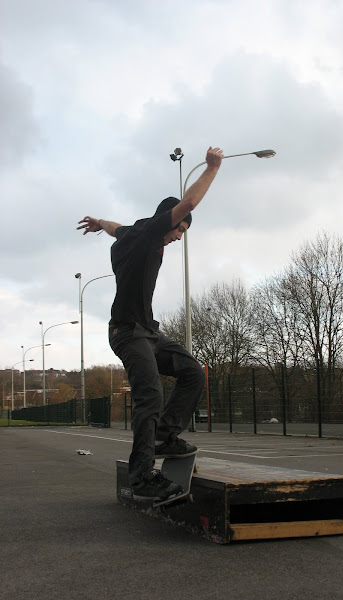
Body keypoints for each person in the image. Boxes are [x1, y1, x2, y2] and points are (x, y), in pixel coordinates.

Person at [77, 146, 223, 501]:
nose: (178, 237)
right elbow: (188, 203)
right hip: (128, 331)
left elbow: (116, 228)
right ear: (168, 222)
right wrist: (213, 168)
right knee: (150, 394)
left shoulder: (131, 232)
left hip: (148, 331)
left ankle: (163, 436)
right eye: (180, 231)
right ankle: (141, 477)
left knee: (191, 371)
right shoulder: (150, 232)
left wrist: (100, 223)